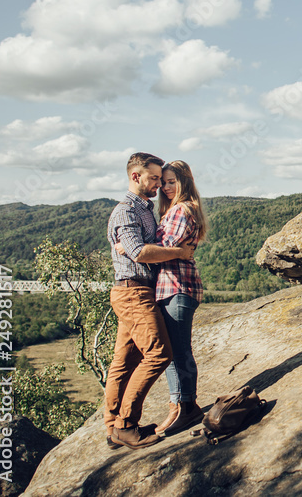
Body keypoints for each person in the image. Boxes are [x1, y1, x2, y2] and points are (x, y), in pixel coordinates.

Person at [105, 152, 194, 449]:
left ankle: (113, 426)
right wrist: (180, 253)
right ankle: (126, 424)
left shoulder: (145, 209)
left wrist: (134, 248)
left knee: (125, 360)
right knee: (159, 353)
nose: (159, 184)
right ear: (135, 177)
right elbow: (140, 252)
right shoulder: (126, 211)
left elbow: (137, 248)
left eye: (162, 179)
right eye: (154, 178)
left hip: (139, 289)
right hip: (134, 291)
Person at [150, 160, 207, 435]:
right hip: (170, 286)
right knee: (172, 351)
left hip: (179, 286)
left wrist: (131, 248)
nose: (166, 187)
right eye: (163, 182)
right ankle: (177, 406)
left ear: (184, 181)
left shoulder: (182, 210)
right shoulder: (171, 210)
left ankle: (187, 407)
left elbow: (165, 248)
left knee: (179, 350)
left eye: (172, 181)